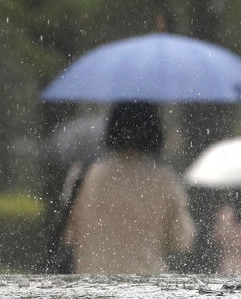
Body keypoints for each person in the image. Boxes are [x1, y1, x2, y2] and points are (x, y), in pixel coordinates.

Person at [63, 102, 194, 273]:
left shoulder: (84, 175)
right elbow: (183, 240)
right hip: (146, 287)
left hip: (92, 285)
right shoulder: (163, 180)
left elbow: (68, 236)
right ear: (155, 132)